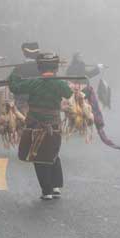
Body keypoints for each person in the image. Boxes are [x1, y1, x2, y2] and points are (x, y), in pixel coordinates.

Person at [8, 52, 73, 200]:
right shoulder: (60, 84)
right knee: (53, 153)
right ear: (56, 68)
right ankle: (55, 187)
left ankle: (47, 191)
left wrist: (15, 72)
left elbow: (15, 87)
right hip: (54, 124)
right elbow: (69, 93)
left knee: (38, 156)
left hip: (34, 124)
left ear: (39, 67)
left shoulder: (34, 82)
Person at [9, 41, 42, 113]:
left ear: (25, 54)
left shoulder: (18, 68)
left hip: (22, 101)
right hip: (39, 101)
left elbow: (11, 81)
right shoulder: (43, 68)